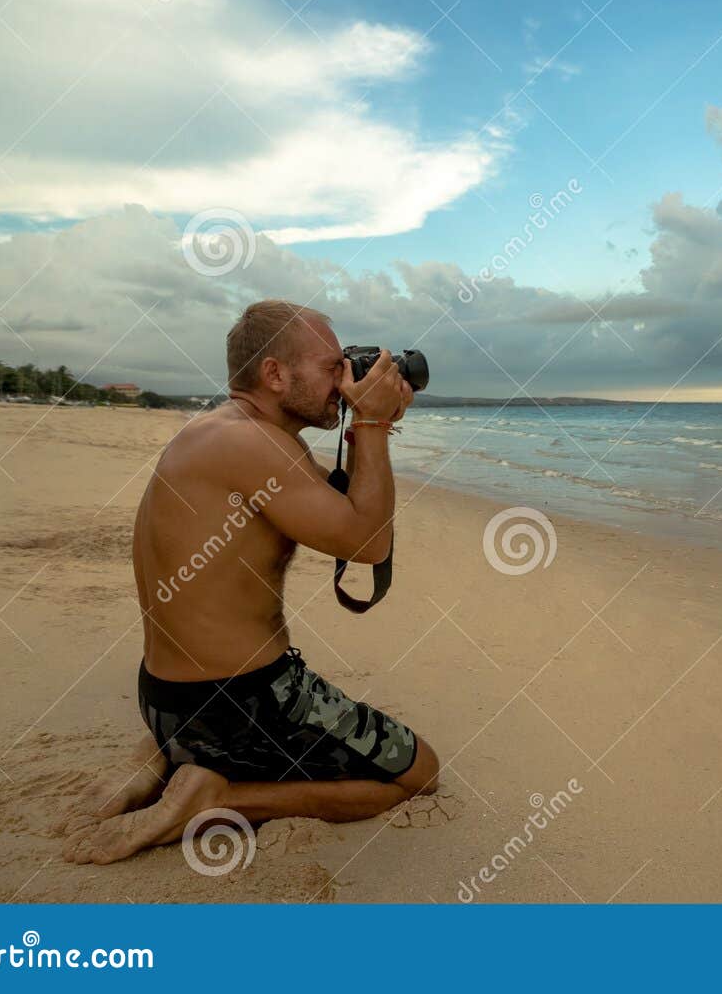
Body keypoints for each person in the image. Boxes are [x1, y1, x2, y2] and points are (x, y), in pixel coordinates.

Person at [54, 300, 439, 864]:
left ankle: (164, 757)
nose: (345, 379)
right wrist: (375, 424)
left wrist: (364, 428)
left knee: (225, 725)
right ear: (275, 374)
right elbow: (365, 543)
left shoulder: (222, 432)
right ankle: (218, 797)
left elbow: (344, 511)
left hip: (164, 699)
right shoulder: (256, 446)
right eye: (333, 366)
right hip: (239, 701)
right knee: (418, 771)